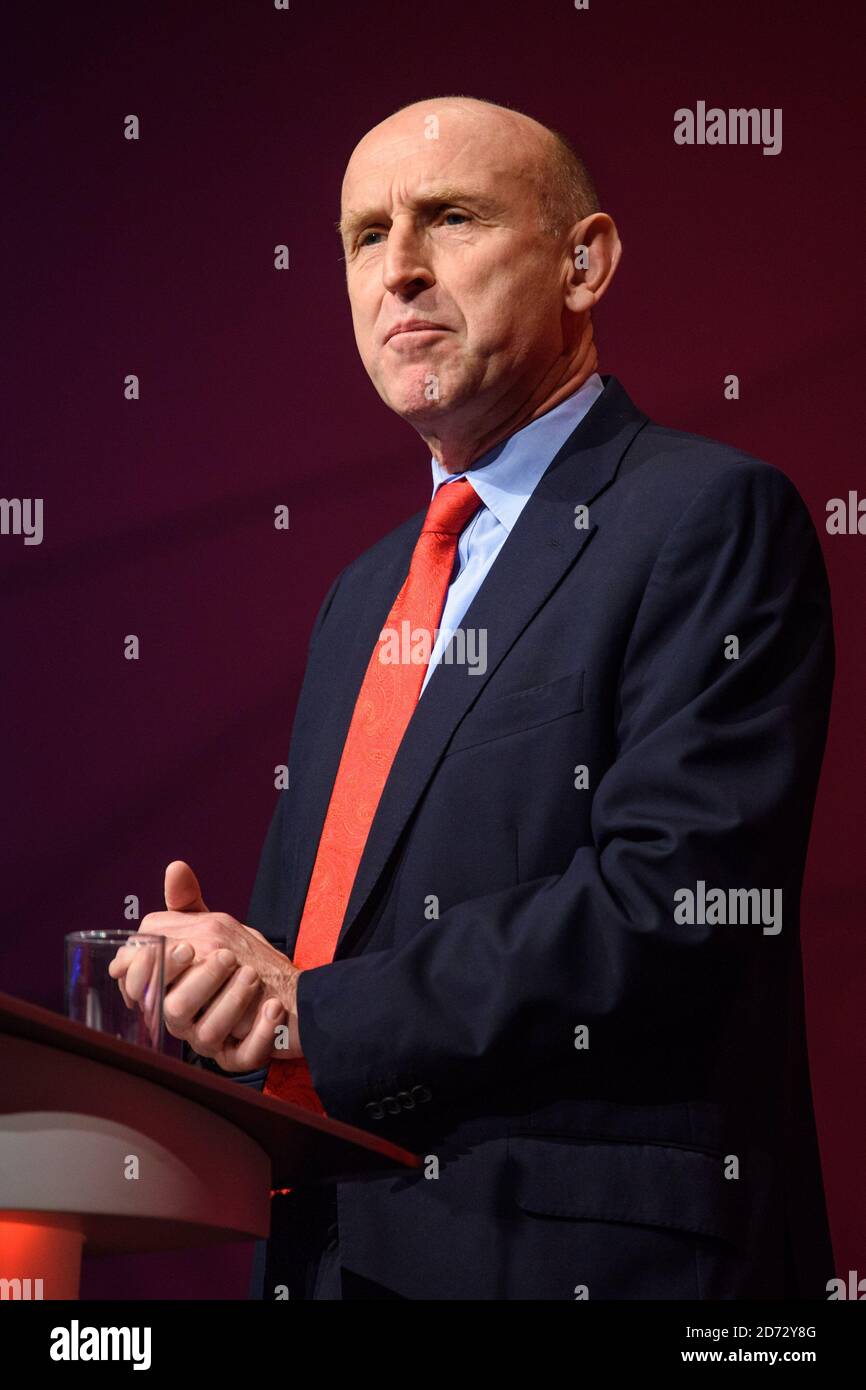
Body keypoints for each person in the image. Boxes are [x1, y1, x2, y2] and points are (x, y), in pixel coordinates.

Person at [114, 95, 835, 1300]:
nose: (397, 271)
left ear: (582, 262)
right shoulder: (361, 597)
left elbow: (672, 906)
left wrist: (312, 1013)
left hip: (580, 1261)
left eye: (448, 218)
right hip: (335, 1261)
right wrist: (229, 983)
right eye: (362, 235)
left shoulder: (703, 518)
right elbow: (327, 971)